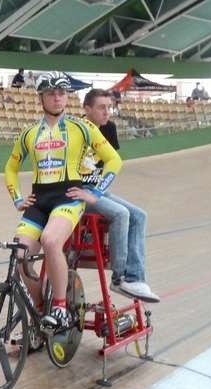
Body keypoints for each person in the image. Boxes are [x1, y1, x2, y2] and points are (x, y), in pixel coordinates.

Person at [4, 72, 122, 328]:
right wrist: (17, 199)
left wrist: (95, 194)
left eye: (62, 93)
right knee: (20, 257)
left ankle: (59, 308)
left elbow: (114, 160)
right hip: (38, 200)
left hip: (68, 199)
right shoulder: (29, 133)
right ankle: (38, 309)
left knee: (50, 240)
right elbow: (10, 169)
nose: (57, 98)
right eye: (51, 93)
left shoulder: (83, 127)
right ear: (41, 98)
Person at [66, 89, 160, 303]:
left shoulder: (109, 128)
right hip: (78, 192)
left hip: (97, 191)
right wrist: (82, 192)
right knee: (121, 214)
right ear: (86, 109)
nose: (107, 112)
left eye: (109, 107)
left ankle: (135, 278)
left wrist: (98, 192)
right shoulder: (75, 130)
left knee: (140, 216)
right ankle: (119, 278)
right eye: (101, 107)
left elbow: (111, 164)